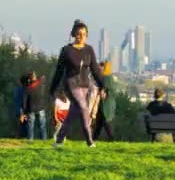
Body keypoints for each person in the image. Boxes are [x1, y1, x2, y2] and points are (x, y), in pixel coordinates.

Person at [49, 19, 104, 148]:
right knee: (84, 108)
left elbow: (95, 69)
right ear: (73, 34)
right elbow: (59, 71)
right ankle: (90, 141)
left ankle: (59, 141)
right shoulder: (66, 50)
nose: (81, 37)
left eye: (84, 34)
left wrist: (102, 85)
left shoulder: (89, 50)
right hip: (70, 84)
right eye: (79, 34)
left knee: (73, 112)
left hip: (85, 85)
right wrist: (53, 88)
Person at [92, 61, 116, 141]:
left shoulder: (108, 78)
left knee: (106, 123)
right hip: (101, 106)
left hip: (106, 106)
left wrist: (106, 93)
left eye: (100, 69)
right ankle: (92, 140)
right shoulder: (101, 78)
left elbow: (112, 90)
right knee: (99, 125)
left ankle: (111, 140)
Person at [22, 71, 48, 140]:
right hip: (41, 107)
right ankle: (44, 139)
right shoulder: (40, 84)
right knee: (42, 125)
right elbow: (43, 77)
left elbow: (24, 101)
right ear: (35, 77)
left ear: (29, 79)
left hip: (31, 108)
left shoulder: (27, 88)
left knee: (30, 126)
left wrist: (24, 112)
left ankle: (30, 139)